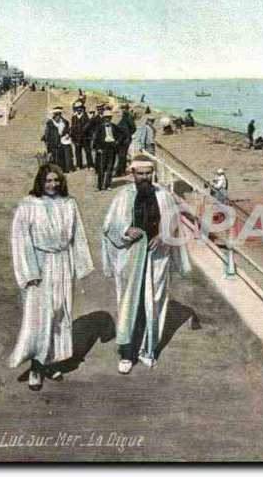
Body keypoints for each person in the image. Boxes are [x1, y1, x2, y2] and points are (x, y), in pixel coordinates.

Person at [101, 156, 191, 373]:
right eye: (139, 174)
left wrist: (162, 236)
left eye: (147, 173)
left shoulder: (164, 195)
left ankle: (148, 350)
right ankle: (127, 353)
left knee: (154, 301)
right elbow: (108, 226)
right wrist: (125, 231)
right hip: (130, 257)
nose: (144, 177)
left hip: (157, 257)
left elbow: (174, 226)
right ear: (132, 174)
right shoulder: (123, 196)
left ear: (153, 174)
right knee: (128, 302)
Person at [8, 164, 93, 390]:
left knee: (60, 313)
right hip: (40, 265)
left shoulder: (69, 204)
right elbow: (20, 239)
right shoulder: (28, 205)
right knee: (39, 317)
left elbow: (78, 236)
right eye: (48, 181)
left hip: (63, 264)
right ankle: (36, 366)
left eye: (56, 180)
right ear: (40, 182)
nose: (53, 185)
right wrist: (30, 273)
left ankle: (52, 361)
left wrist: (80, 266)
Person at [93, 109, 121, 191]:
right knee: (101, 168)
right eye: (106, 118)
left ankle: (108, 185)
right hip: (103, 148)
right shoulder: (100, 128)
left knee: (110, 167)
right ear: (103, 118)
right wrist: (98, 148)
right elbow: (96, 139)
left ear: (111, 118)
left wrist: (117, 142)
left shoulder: (114, 126)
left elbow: (120, 135)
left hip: (112, 148)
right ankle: (99, 186)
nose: (107, 119)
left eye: (109, 117)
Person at [115, 104, 136, 177]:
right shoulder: (124, 116)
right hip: (122, 138)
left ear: (126, 109)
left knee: (122, 155)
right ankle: (121, 171)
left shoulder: (128, 116)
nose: (123, 110)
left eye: (124, 108)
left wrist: (128, 134)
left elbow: (133, 128)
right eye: (122, 108)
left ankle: (120, 172)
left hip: (125, 139)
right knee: (122, 156)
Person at [70, 103, 89, 170]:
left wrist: (83, 130)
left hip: (84, 137)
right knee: (77, 151)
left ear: (82, 108)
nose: (78, 109)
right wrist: (72, 137)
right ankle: (79, 165)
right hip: (77, 137)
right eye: (77, 108)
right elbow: (72, 127)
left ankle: (90, 165)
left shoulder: (85, 116)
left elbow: (87, 125)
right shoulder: (74, 117)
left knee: (87, 151)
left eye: (80, 108)